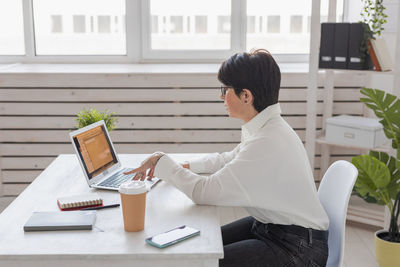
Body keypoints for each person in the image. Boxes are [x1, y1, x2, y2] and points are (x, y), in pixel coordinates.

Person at [124, 49, 329, 267]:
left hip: (298, 249)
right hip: (274, 228)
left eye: (225, 89)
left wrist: (161, 161)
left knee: (199, 261)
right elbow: (228, 159)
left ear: (246, 96)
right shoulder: (266, 127)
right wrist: (184, 165)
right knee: (199, 245)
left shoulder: (268, 140)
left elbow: (204, 192)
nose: (221, 96)